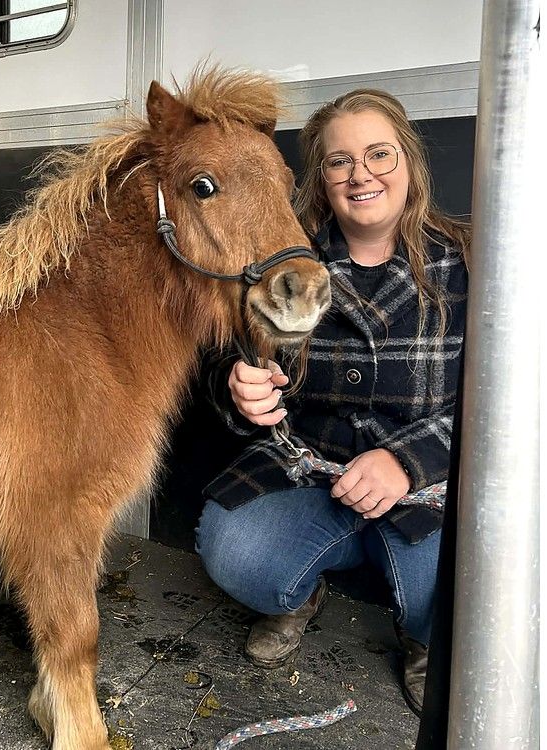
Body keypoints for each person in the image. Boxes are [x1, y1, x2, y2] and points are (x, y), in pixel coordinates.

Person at [195, 88, 469, 715]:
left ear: (410, 163)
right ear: (320, 177)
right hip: (313, 475)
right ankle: (301, 592)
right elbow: (231, 365)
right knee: (234, 549)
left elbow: (500, 410)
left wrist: (406, 462)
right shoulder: (289, 265)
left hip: (425, 490)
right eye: (339, 161)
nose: (360, 174)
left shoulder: (466, 263)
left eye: (378, 153)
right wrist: (240, 389)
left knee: (459, 586)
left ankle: (423, 638)